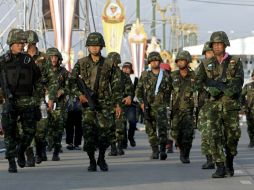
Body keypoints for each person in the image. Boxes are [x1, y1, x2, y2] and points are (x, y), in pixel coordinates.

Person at [71, 32, 122, 172]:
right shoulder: (81, 63)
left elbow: (116, 85)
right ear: (88, 47)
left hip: (105, 103)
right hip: (88, 104)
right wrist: (79, 95)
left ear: (101, 47)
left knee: (106, 133)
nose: (94, 48)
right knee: (89, 133)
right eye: (92, 45)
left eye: (97, 45)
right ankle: (92, 160)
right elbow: (71, 82)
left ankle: (101, 157)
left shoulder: (109, 64)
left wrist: (118, 104)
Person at [196, 31, 244, 178]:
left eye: (219, 44)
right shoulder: (205, 64)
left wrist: (227, 90)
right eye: (214, 44)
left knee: (232, 137)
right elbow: (198, 82)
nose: (217, 46)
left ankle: (229, 161)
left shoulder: (235, 61)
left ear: (225, 44)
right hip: (213, 105)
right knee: (213, 135)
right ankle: (220, 166)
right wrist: (208, 88)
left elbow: (239, 80)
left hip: (230, 105)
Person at [0, 28, 43, 173]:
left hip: (27, 99)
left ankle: (21, 150)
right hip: (9, 100)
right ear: (11, 43)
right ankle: (12, 161)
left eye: (23, 43)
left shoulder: (28, 60)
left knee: (30, 131)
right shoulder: (2, 61)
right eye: (18, 43)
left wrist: (37, 101)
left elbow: (38, 81)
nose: (21, 45)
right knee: (10, 132)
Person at [136, 51, 172, 160]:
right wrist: (142, 102)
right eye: (152, 61)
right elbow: (139, 90)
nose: (154, 63)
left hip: (161, 106)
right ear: (149, 62)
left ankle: (162, 150)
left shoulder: (165, 75)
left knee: (162, 129)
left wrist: (167, 105)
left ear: (159, 61)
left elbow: (170, 91)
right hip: (148, 106)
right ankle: (155, 150)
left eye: (156, 60)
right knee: (150, 129)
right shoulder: (145, 75)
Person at [24, 30, 48, 166]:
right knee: (25, 127)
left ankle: (40, 150)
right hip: (24, 97)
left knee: (41, 127)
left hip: (40, 97)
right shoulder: (21, 58)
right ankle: (29, 155)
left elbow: (51, 78)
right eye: (26, 43)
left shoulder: (44, 58)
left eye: (30, 43)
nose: (28, 45)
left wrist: (51, 98)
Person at [170, 51, 195, 164]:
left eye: (182, 60)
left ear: (187, 61)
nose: (180, 62)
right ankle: (179, 146)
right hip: (175, 110)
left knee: (188, 134)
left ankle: (185, 154)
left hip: (189, 110)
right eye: (178, 61)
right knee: (175, 133)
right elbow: (165, 91)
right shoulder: (172, 76)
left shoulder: (194, 76)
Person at [46, 47, 69, 161]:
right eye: (51, 57)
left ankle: (56, 151)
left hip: (60, 105)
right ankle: (47, 146)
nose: (53, 59)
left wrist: (62, 91)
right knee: (46, 127)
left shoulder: (63, 72)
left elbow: (70, 86)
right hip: (45, 104)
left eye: (55, 57)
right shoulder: (42, 71)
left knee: (59, 128)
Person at [107, 53, 133, 156]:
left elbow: (130, 89)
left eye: (112, 62)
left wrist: (129, 96)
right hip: (108, 104)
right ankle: (113, 147)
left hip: (120, 103)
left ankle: (119, 147)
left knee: (120, 126)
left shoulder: (124, 75)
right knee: (109, 126)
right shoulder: (105, 74)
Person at [197, 42, 215, 169]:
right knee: (205, 133)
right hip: (205, 104)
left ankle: (221, 159)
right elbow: (196, 83)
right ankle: (209, 159)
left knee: (219, 134)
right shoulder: (201, 67)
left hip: (220, 104)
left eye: (212, 52)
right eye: (208, 52)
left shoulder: (223, 65)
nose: (210, 54)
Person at [122, 62, 138, 147]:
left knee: (132, 122)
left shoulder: (135, 79)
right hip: (121, 103)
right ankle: (124, 142)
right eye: (124, 67)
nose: (126, 69)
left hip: (132, 104)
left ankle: (130, 137)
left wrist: (132, 98)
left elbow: (138, 91)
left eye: (128, 67)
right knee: (122, 123)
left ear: (131, 69)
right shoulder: (119, 78)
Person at [240, 70, 254, 148]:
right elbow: (241, 96)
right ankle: (252, 140)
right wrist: (244, 107)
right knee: (250, 126)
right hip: (250, 110)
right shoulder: (248, 86)